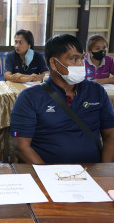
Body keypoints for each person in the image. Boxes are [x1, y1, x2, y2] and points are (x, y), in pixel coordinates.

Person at [10, 34, 114, 164]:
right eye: (74, 59)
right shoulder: (30, 98)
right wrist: (49, 177)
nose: (81, 64)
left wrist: (104, 172)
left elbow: (111, 136)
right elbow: (21, 147)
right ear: (54, 63)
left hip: (93, 174)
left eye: (82, 59)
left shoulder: (96, 91)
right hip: (48, 175)